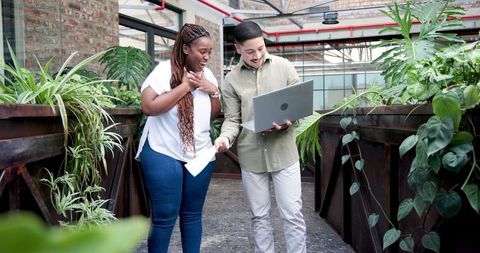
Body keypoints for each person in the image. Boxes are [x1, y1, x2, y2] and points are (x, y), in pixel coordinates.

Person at [215, 21, 307, 253]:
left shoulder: (284, 67)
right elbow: (232, 119)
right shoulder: (230, 80)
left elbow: (298, 106)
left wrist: (288, 123)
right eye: (250, 51)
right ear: (237, 49)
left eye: (260, 48)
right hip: (251, 156)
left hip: (284, 154)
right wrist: (225, 138)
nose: (256, 55)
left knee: (292, 214)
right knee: (259, 216)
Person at [136, 23, 221, 253]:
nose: (207, 57)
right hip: (163, 150)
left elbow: (212, 113)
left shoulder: (208, 73)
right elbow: (148, 106)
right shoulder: (164, 71)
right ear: (185, 49)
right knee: (164, 216)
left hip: (199, 153)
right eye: (202, 51)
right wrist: (185, 86)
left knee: (192, 215)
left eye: (210, 52)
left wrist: (212, 90)